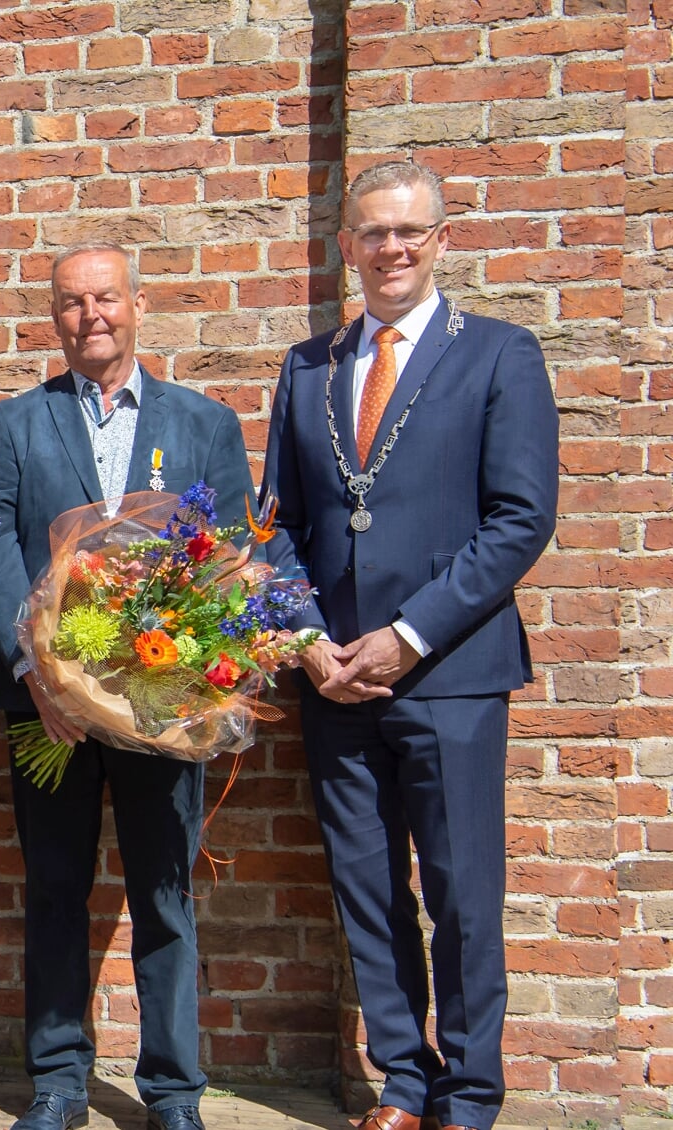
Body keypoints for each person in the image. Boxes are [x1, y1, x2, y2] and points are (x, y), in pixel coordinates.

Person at [259, 161, 558, 1130]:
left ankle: (469, 1096)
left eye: (409, 232)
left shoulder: (500, 356)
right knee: (367, 888)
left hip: (450, 672)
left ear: (441, 239)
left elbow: (520, 519)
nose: (390, 249)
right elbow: (283, 527)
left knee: (464, 893)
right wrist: (307, 636)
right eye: (372, 233)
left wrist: (408, 632)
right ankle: (403, 1080)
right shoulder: (308, 367)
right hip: (334, 679)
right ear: (345, 245)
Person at [0, 245, 254, 1130]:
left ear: (136, 305)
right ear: (53, 317)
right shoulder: (19, 420)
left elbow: (236, 553)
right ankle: (57, 1081)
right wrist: (35, 666)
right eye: (71, 302)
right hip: (45, 709)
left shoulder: (202, 421)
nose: (90, 315)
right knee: (54, 888)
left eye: (105, 298)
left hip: (161, 706)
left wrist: (191, 674)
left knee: (164, 892)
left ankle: (172, 1092)